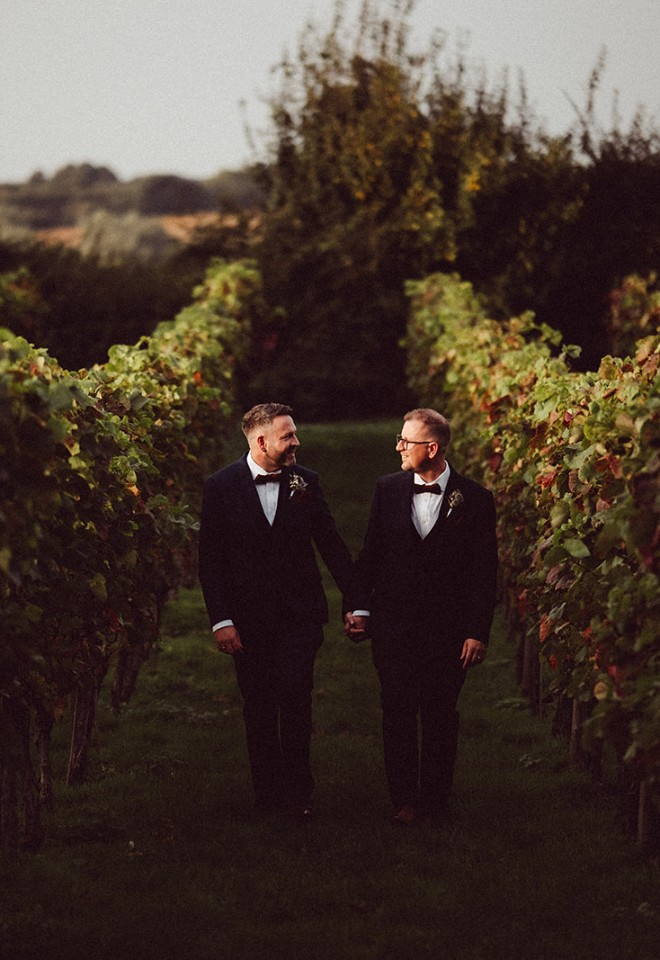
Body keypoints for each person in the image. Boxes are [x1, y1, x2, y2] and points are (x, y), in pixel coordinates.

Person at [198, 402, 366, 820]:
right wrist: (222, 620)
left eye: (294, 433)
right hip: (247, 620)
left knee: (295, 695)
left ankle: (297, 794)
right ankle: (266, 795)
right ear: (260, 441)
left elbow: (331, 545)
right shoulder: (220, 486)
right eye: (288, 435)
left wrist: (357, 601)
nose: (297, 442)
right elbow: (210, 561)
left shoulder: (305, 482)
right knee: (257, 704)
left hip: (299, 616)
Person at [345, 408, 498, 825]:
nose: (398, 447)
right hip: (393, 627)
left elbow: (485, 574)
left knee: (440, 714)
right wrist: (359, 607)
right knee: (395, 709)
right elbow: (371, 555)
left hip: (447, 632)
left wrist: (475, 632)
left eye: (405, 441)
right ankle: (404, 801)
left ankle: (435, 800)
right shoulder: (387, 489)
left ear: (431, 448)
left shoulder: (476, 500)